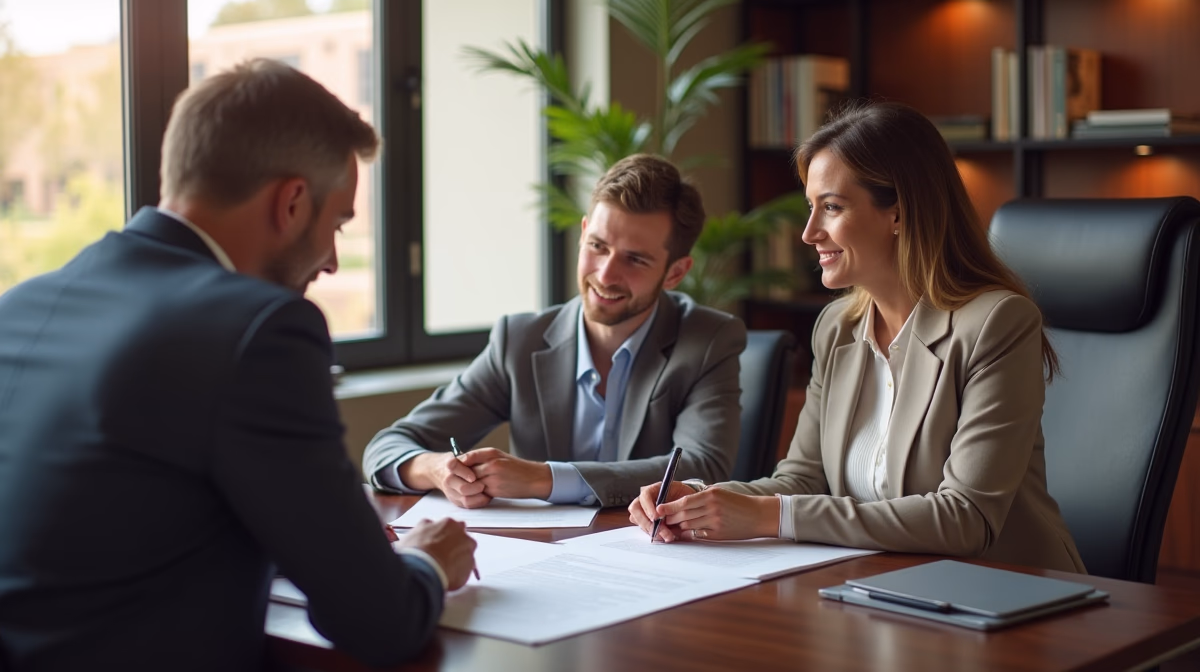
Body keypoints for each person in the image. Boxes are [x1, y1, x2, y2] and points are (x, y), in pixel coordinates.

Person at [0, 59, 477, 671]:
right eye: (337, 223)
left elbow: (104, 516)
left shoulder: (22, 303)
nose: (331, 260)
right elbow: (377, 623)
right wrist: (427, 559)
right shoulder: (259, 329)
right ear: (292, 202)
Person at [628, 102, 1086, 573]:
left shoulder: (996, 324)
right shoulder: (837, 329)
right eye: (812, 207)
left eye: (831, 207)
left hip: (1008, 592)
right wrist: (701, 499)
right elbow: (804, 479)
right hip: (885, 585)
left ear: (899, 214)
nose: (809, 233)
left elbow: (965, 518)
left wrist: (768, 515)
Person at [363, 154, 746, 510]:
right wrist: (437, 469)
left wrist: (544, 479)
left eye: (635, 259)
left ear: (676, 272)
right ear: (583, 234)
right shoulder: (519, 341)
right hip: (544, 557)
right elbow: (385, 447)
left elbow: (704, 468)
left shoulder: (709, 341)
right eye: (597, 246)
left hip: (659, 559)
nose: (605, 274)